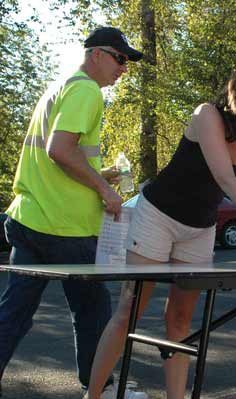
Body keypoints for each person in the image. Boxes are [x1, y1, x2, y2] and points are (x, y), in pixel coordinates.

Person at [86, 60, 236, 399]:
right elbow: (224, 177)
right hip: (157, 215)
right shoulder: (207, 115)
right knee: (129, 312)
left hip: (200, 227)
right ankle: (92, 395)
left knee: (180, 321)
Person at [0, 27, 147, 399]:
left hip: (30, 218)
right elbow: (60, 150)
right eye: (119, 57)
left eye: (127, 61)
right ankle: (101, 388)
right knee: (94, 312)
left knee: (13, 314)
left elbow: (58, 156)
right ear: (95, 54)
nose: (123, 67)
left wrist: (101, 174)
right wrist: (104, 190)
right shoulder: (86, 90)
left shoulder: (60, 85)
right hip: (66, 228)